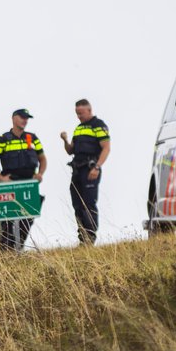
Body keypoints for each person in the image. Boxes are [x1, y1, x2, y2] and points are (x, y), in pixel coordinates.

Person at [0, 108, 48, 252]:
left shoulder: (32, 138)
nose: (25, 120)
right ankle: (7, 251)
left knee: (27, 219)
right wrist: (1, 179)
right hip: (11, 184)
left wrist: (40, 174)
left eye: (27, 118)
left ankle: (19, 248)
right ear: (14, 118)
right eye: (22, 117)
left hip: (28, 184)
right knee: (7, 223)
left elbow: (43, 159)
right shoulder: (4, 139)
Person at [60, 99, 111, 245]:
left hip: (90, 169)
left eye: (81, 113)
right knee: (77, 204)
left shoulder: (98, 125)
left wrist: (97, 167)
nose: (79, 116)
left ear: (89, 110)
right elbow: (70, 150)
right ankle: (82, 238)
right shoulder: (79, 128)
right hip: (77, 170)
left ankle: (90, 237)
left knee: (88, 203)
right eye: (77, 114)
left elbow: (106, 148)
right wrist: (65, 140)